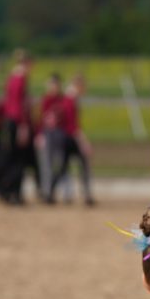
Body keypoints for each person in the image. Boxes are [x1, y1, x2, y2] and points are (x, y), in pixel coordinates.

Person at [0, 49, 35, 204]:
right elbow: (20, 104)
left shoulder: (11, 78)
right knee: (19, 160)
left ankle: (8, 191)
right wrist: (24, 125)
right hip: (18, 121)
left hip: (10, 120)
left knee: (12, 158)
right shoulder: (21, 79)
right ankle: (12, 191)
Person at [52, 75, 94, 206]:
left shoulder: (67, 98)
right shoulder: (70, 100)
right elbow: (72, 124)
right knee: (79, 164)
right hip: (69, 138)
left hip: (66, 137)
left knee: (64, 166)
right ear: (78, 86)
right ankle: (84, 194)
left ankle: (58, 193)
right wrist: (83, 141)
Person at [37, 73, 66, 203]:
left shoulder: (63, 100)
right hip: (47, 134)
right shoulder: (45, 101)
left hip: (59, 134)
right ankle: (46, 193)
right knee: (46, 166)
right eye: (51, 85)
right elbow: (39, 119)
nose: (53, 88)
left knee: (59, 164)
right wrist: (39, 135)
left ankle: (52, 189)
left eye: (55, 85)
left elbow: (68, 120)